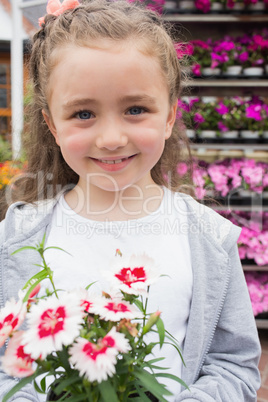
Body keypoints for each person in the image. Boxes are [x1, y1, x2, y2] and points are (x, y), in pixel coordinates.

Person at [0, 0, 261, 400]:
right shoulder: (18, 237)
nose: (111, 138)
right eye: (83, 114)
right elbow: (6, 365)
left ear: (171, 114)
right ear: (51, 124)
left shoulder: (208, 238)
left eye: (135, 109)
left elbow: (233, 364)